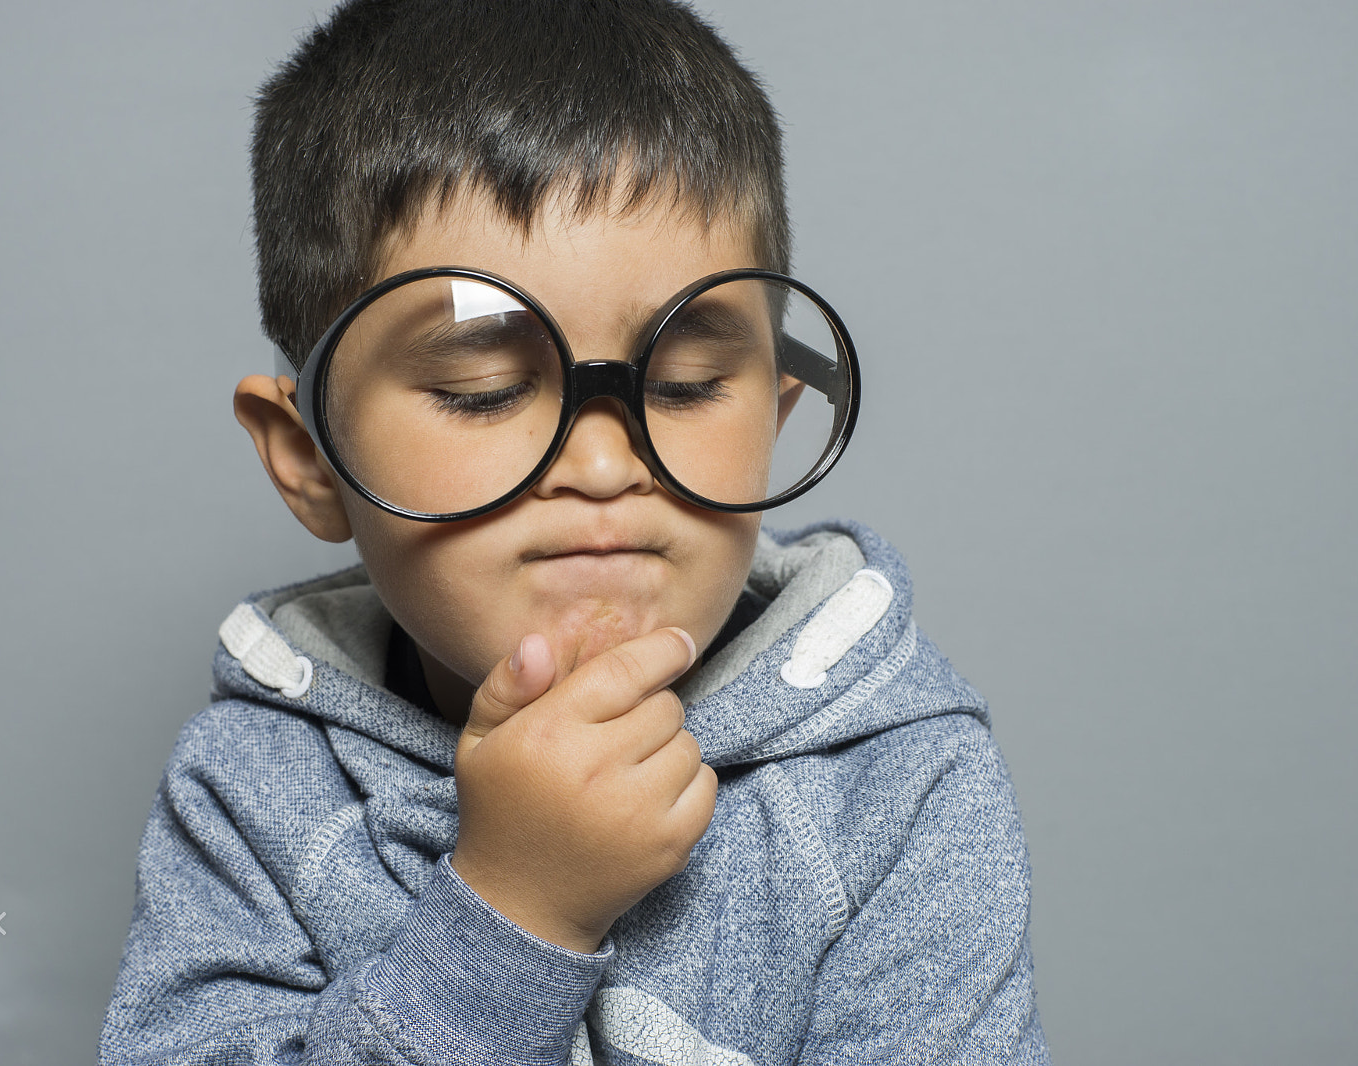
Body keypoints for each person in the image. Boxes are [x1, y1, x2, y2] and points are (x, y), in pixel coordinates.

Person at [101, 0, 1048, 1062]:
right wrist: (511, 916)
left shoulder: (901, 777)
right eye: (483, 387)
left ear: (774, 422)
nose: (604, 465)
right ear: (310, 456)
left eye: (686, 385)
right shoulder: (249, 793)